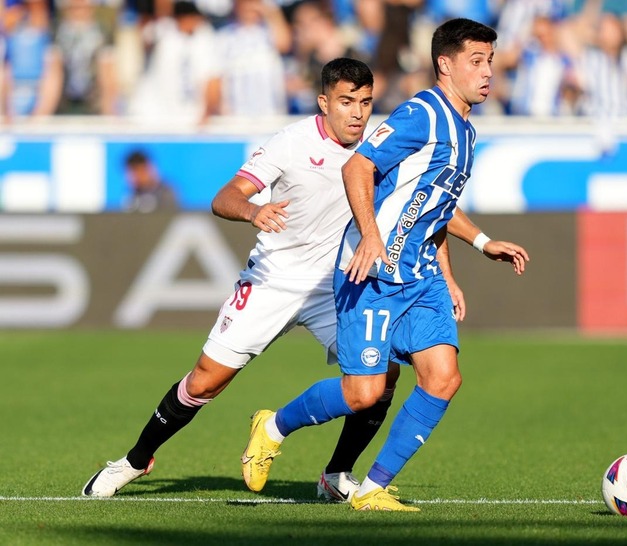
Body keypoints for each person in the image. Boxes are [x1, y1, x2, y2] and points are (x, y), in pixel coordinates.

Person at [82, 57, 518, 501]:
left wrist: (473, 248)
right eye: (346, 102)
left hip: (339, 281)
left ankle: (337, 474)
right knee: (205, 381)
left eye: (365, 102)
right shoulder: (291, 144)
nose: (357, 113)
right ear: (324, 102)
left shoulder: (379, 145)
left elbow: (429, 206)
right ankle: (135, 461)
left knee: (381, 377)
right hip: (275, 279)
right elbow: (225, 197)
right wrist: (255, 210)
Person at [240, 18, 529, 512]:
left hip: (420, 276)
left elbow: (432, 206)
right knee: (363, 394)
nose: (487, 73)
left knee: (444, 378)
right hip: (371, 274)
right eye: (476, 61)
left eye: (490, 61)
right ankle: (273, 426)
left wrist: (479, 245)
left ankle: (371, 489)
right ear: (445, 64)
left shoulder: (465, 130)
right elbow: (358, 166)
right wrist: (372, 237)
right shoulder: (422, 113)